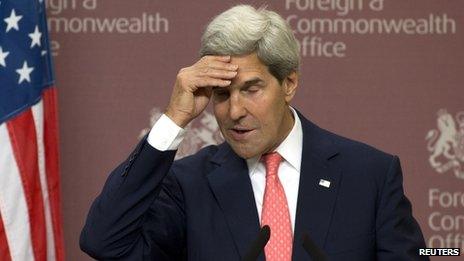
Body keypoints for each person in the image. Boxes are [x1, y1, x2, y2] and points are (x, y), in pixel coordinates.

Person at [80, 5, 427, 261]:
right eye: (221, 94)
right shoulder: (188, 185)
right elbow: (105, 242)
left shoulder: (369, 175)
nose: (234, 111)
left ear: (288, 83)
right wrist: (174, 118)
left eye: (251, 89)